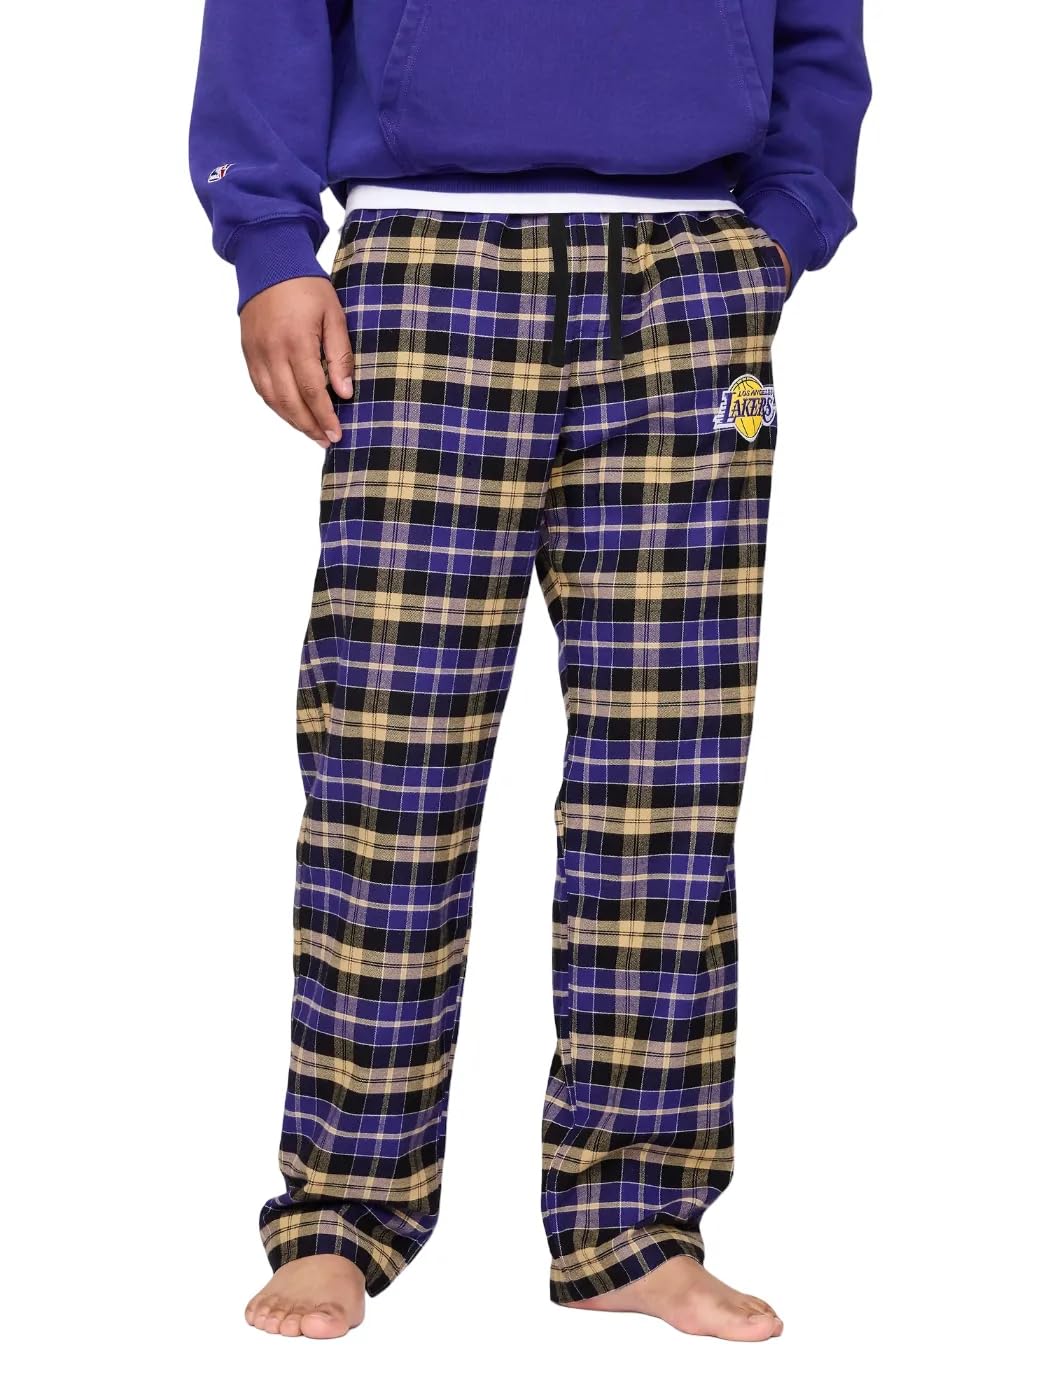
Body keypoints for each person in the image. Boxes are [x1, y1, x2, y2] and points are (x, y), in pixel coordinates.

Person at [190, 0, 869, 1342]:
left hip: (690, 266)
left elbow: (816, 29)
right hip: (426, 257)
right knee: (389, 761)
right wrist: (267, 239)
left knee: (666, 771)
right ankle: (342, 1208)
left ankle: (633, 1221)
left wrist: (785, 222)